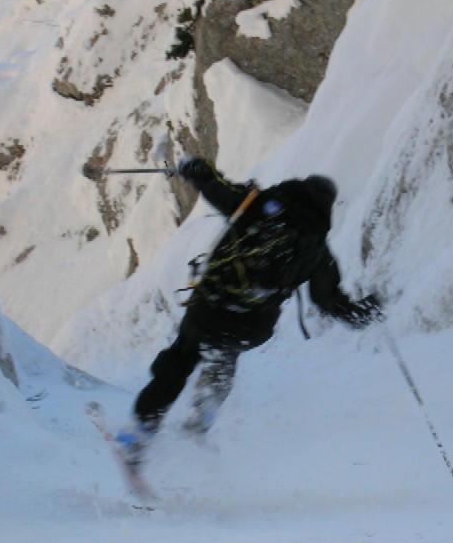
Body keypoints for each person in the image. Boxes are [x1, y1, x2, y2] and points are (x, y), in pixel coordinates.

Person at [116, 156, 382, 466]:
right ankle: (202, 418)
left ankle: (141, 430)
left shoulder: (265, 205)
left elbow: (222, 192)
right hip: (253, 327)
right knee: (224, 356)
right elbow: (330, 302)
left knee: (181, 358)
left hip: (212, 309)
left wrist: (198, 172)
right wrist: (365, 312)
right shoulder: (318, 253)